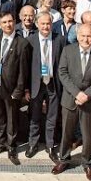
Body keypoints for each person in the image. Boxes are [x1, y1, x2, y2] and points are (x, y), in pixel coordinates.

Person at [52, 23, 91, 181]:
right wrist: (77, 93)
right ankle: (64, 159)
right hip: (70, 99)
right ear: (77, 36)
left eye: (89, 36)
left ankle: (88, 163)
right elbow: (62, 73)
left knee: (88, 135)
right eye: (83, 36)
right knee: (66, 132)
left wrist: (87, 95)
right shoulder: (68, 50)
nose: (86, 39)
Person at [0, 11, 30, 162]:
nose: (8, 24)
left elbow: (24, 71)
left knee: (12, 118)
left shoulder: (22, 43)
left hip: (12, 89)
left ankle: (11, 146)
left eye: (10, 21)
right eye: (4, 22)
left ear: (15, 22)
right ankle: (0, 142)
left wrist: (19, 90)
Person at [26, 12, 66, 159]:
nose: (45, 26)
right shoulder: (30, 40)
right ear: (37, 24)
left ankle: (50, 145)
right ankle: (33, 143)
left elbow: (64, 64)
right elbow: (26, 66)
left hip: (53, 84)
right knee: (34, 116)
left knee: (52, 116)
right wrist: (26, 88)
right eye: (42, 24)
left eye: (48, 23)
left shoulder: (60, 40)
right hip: (36, 84)